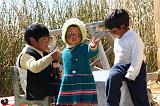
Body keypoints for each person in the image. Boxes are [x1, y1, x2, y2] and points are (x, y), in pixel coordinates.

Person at [104, 9, 150, 106]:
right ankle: (111, 104)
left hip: (136, 66)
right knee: (112, 77)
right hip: (120, 66)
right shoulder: (118, 37)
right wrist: (116, 68)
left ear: (123, 27)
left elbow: (137, 58)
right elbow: (118, 54)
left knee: (139, 91)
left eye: (114, 31)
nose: (112, 34)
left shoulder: (134, 38)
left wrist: (131, 74)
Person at [56, 18, 100, 106]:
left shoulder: (83, 47)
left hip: (83, 81)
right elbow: (66, 66)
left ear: (82, 36)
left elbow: (91, 53)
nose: (74, 36)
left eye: (77, 34)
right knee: (69, 102)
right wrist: (63, 74)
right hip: (70, 82)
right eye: (71, 34)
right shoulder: (65, 51)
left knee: (82, 103)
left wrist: (93, 47)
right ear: (65, 35)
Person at [16, 23, 61, 100]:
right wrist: (51, 57)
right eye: (44, 40)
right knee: (63, 87)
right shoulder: (25, 54)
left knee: (67, 83)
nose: (47, 44)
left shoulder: (43, 52)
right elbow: (34, 67)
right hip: (33, 90)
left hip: (44, 86)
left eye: (48, 40)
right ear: (33, 41)